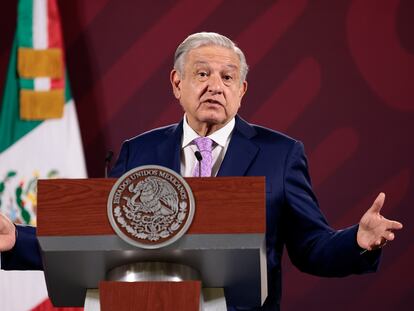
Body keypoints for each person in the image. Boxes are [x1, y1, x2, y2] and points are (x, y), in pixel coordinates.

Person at [0, 32, 403, 310]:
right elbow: (102, 240)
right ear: (177, 84)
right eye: (202, 74)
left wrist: (358, 241)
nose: (215, 85)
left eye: (228, 77)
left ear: (242, 90)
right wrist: (17, 238)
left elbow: (311, 247)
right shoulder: (139, 152)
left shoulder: (280, 154)